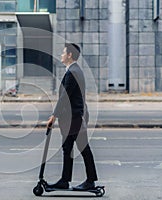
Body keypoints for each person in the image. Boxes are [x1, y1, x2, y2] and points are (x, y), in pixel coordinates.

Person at [46, 43, 98, 191]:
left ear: (70, 55)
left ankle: (88, 181)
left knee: (82, 148)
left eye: (63, 53)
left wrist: (53, 116)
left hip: (74, 118)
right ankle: (67, 180)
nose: (61, 55)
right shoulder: (74, 70)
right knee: (69, 148)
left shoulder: (73, 72)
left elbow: (64, 97)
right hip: (74, 117)